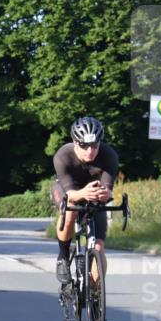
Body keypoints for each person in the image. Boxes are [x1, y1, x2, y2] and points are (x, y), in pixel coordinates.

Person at [51, 116, 118, 284]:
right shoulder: (63, 156)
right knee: (70, 212)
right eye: (84, 145)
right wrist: (83, 193)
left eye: (95, 145)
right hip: (68, 190)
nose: (90, 151)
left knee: (99, 247)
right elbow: (70, 194)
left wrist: (106, 194)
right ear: (75, 142)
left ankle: (95, 293)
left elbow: (108, 189)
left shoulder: (109, 155)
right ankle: (63, 256)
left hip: (93, 194)